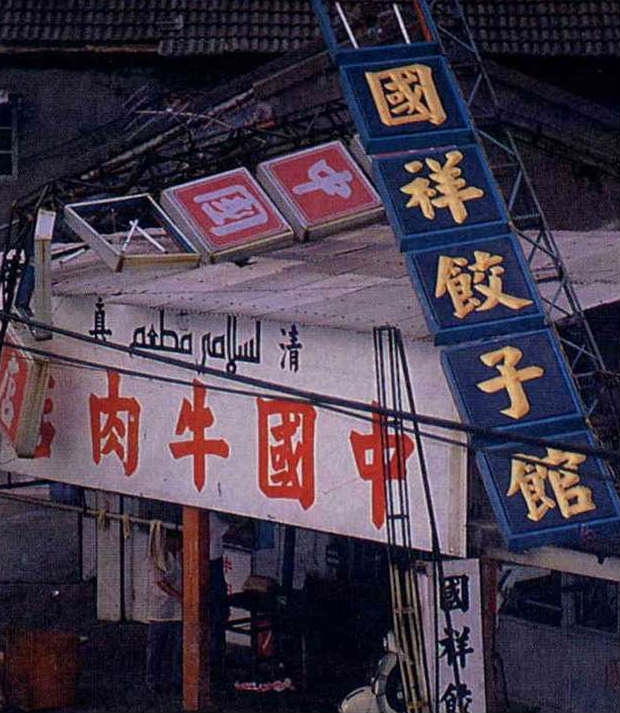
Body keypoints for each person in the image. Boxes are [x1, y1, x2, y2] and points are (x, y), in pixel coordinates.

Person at [146, 527, 182, 694]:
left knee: (177, 648)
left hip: (177, 611)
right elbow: (160, 582)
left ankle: (176, 679)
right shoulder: (157, 557)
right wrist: (179, 595)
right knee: (156, 647)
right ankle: (153, 679)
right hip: (160, 610)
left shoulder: (180, 555)